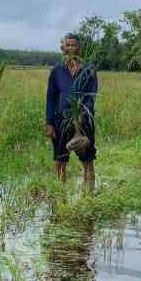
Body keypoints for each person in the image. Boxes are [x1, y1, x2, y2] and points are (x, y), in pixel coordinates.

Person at [45, 34, 98, 191]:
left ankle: (88, 195)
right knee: (60, 160)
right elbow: (51, 98)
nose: (69, 48)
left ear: (79, 48)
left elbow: (91, 96)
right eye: (66, 45)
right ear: (63, 49)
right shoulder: (57, 71)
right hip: (61, 121)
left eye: (72, 45)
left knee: (87, 161)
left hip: (84, 122)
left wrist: (82, 115)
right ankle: (61, 195)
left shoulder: (89, 70)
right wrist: (49, 123)